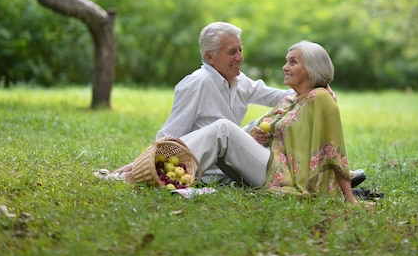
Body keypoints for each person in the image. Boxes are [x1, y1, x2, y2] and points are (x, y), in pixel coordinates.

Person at [180, 41, 364, 204]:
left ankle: (169, 168)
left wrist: (350, 198)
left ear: (311, 68)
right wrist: (258, 136)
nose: (285, 67)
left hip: (283, 175)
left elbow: (335, 151)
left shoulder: (321, 98)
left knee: (224, 128)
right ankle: (167, 163)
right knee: (224, 130)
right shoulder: (291, 100)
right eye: (286, 61)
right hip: (267, 165)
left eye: (293, 62)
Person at [114, 22, 290, 181]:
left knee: (248, 124)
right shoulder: (197, 83)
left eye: (240, 50)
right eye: (232, 52)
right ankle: (145, 174)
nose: (240, 58)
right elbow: (171, 133)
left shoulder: (240, 81)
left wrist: (313, 85)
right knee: (223, 127)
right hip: (205, 171)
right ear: (210, 56)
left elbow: (278, 96)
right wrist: (143, 165)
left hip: (236, 167)